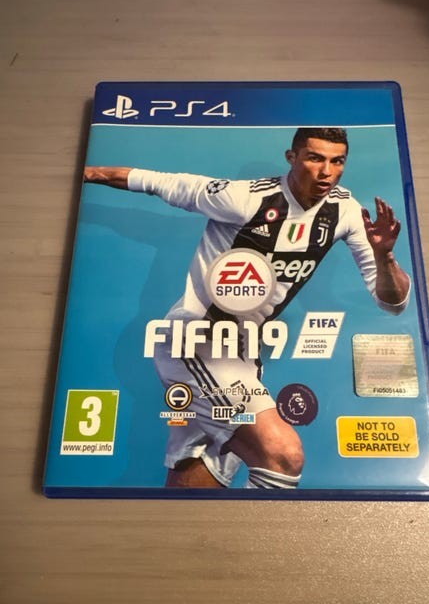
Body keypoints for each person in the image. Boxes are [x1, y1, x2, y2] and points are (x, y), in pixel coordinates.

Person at [84, 127, 410, 490]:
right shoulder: (245, 198)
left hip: (243, 353)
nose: (326, 172)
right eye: (315, 158)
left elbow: (393, 302)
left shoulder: (345, 211)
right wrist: (88, 172)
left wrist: (385, 257)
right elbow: (160, 182)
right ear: (292, 158)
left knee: (198, 482)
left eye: (337, 162)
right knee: (283, 456)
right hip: (196, 342)